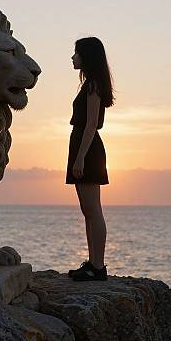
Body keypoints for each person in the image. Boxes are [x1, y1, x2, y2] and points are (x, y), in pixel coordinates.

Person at [66, 37, 114, 281]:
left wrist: (80, 158)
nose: (73, 57)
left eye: (76, 53)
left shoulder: (94, 85)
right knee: (88, 210)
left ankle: (98, 266)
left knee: (93, 209)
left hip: (88, 148)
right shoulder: (89, 85)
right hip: (82, 146)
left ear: (87, 56)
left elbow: (92, 124)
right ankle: (93, 262)